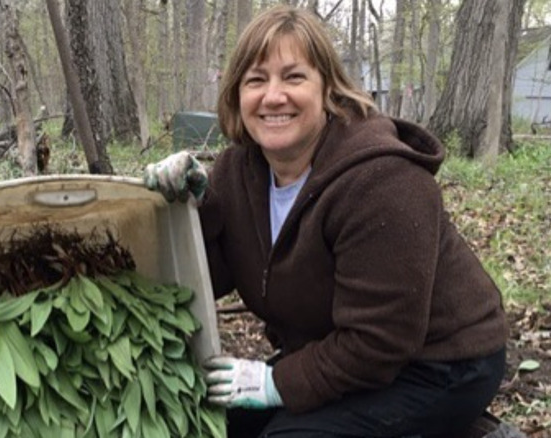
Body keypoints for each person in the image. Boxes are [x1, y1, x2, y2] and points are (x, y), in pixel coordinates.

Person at [144, 5, 509, 438]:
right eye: (256, 80)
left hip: (441, 363)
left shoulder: (382, 181)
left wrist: (276, 383)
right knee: (213, 424)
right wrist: (186, 211)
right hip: (336, 348)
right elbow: (208, 278)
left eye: (294, 77)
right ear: (237, 95)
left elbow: (381, 342)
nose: (273, 96)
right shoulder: (239, 172)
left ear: (328, 89)